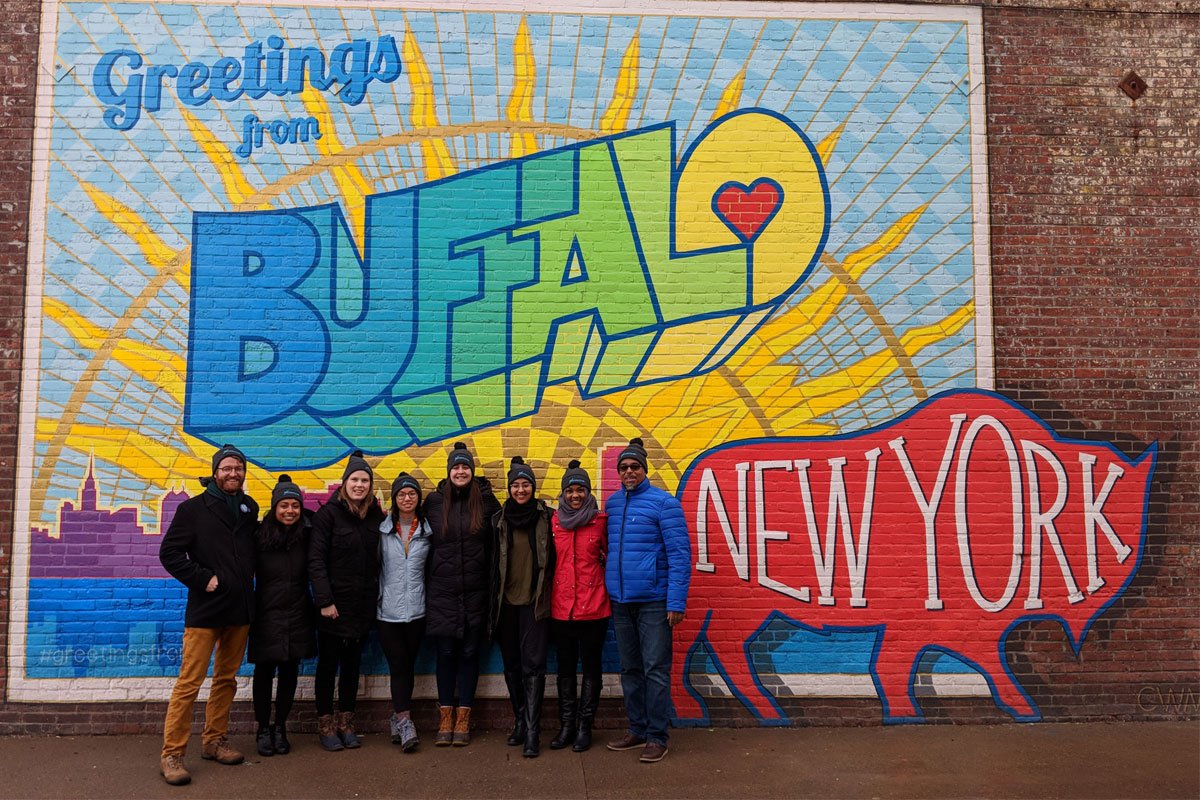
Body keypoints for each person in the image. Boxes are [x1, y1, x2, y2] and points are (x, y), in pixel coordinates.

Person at [157, 444, 258, 786]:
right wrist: (204, 579)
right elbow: (169, 553)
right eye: (227, 468)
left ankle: (214, 741)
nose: (233, 473)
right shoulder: (192, 509)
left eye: (238, 468)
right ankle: (172, 754)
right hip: (205, 609)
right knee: (189, 683)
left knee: (226, 680)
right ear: (215, 472)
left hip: (240, 609)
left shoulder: (248, 507)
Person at [604, 437, 691, 763]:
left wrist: (676, 601)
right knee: (630, 669)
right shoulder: (612, 504)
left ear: (644, 469)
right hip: (621, 601)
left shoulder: (664, 504)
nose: (629, 471)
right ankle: (637, 729)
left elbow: (680, 555)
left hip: (655, 601)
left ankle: (657, 736)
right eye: (624, 467)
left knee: (655, 669)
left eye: (634, 466)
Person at [423, 442, 500, 747]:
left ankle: (464, 719)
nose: (460, 471)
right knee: (446, 654)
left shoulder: (486, 502)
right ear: (449, 471)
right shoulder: (433, 502)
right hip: (442, 593)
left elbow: (501, 540)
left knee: (469, 654)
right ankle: (445, 717)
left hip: (475, 594)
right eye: (456, 467)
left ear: (472, 471)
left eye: (465, 467)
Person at [308, 450, 385, 751]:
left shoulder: (375, 516)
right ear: (344, 483)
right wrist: (325, 600)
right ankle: (326, 725)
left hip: (361, 606)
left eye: (365, 480)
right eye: (354, 479)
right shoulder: (328, 516)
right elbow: (316, 561)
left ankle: (347, 723)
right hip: (333, 608)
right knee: (328, 666)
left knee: (352, 666)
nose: (359, 485)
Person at [248, 474, 316, 758]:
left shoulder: (307, 535)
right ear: (274, 508)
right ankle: (263, 728)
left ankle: (280, 727)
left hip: (298, 612)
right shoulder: (259, 536)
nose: (290, 510)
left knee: (290, 673)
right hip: (265, 614)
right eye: (284, 505)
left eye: (295, 505)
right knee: (264, 673)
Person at [492, 456, 555, 758]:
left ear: (533, 487)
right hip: (505, 605)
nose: (520, 490)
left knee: (534, 667)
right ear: (509, 488)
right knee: (512, 666)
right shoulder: (499, 520)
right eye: (515, 485)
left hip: (534, 604)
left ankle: (532, 731)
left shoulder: (547, 517)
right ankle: (520, 720)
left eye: (525, 484)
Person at [549, 459, 609, 753]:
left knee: (591, 669)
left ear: (588, 492)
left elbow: (612, 557)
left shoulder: (600, 522)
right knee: (565, 670)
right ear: (563, 493)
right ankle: (566, 726)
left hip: (594, 609)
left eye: (580, 490)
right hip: (561, 610)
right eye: (570, 490)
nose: (575, 495)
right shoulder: (554, 522)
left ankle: (585, 727)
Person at [377, 472, 432, 752]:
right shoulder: (382, 531)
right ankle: (406, 721)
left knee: (407, 667)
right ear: (394, 500)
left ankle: (396, 717)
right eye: (402, 494)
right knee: (398, 665)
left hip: (417, 612)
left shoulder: (427, 532)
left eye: (412, 494)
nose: (407, 498)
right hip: (388, 614)